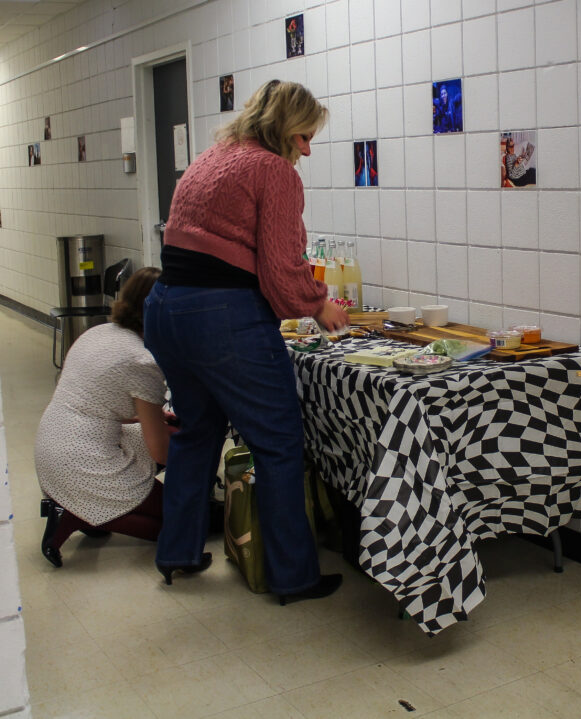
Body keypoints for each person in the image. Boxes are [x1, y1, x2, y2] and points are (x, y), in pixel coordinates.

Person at [143, 80, 348, 601]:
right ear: (283, 128)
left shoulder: (213, 157)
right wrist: (318, 302)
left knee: (197, 430)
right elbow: (282, 271)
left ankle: (178, 553)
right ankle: (293, 576)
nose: (307, 149)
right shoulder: (272, 170)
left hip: (165, 308)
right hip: (221, 317)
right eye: (303, 136)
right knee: (278, 444)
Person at [36, 267, 174, 568]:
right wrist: (194, 469)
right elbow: (159, 450)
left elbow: (101, 403)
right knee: (184, 524)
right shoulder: (142, 359)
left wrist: (155, 417)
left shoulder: (98, 332)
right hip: (81, 462)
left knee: (171, 434)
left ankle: (86, 508)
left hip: (52, 446)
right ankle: (75, 514)